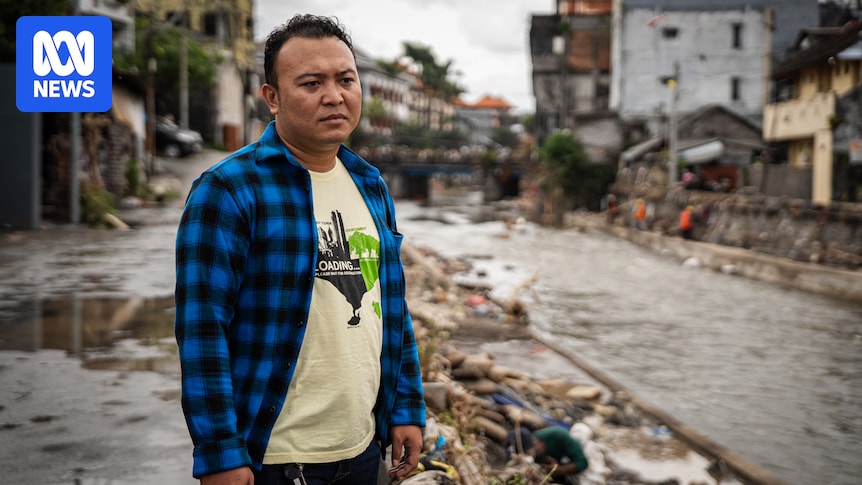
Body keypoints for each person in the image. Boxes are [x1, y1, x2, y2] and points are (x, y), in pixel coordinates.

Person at [174, 14, 426, 485]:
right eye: (312, 83)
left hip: (363, 448)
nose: (334, 96)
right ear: (272, 97)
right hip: (275, 458)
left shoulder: (370, 184)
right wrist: (220, 454)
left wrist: (406, 406)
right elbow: (202, 330)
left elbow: (391, 308)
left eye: (345, 80)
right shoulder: (229, 190)